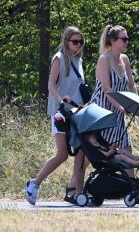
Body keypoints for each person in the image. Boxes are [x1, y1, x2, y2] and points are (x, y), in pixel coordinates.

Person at [25, 26, 89, 205]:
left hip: (77, 112)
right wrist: (61, 99)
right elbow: (50, 85)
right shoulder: (59, 58)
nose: (78, 45)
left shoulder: (78, 60)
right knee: (62, 155)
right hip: (61, 113)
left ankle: (75, 191)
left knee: (84, 151)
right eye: (75, 41)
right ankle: (34, 184)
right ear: (66, 41)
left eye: (81, 42)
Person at [91, 24, 137, 177]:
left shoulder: (125, 59)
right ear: (112, 40)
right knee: (95, 152)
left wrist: (137, 104)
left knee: (126, 147)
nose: (126, 42)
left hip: (118, 110)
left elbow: (131, 85)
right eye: (123, 39)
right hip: (103, 111)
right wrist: (121, 107)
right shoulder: (104, 59)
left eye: (127, 39)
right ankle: (74, 187)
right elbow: (106, 89)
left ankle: (134, 188)